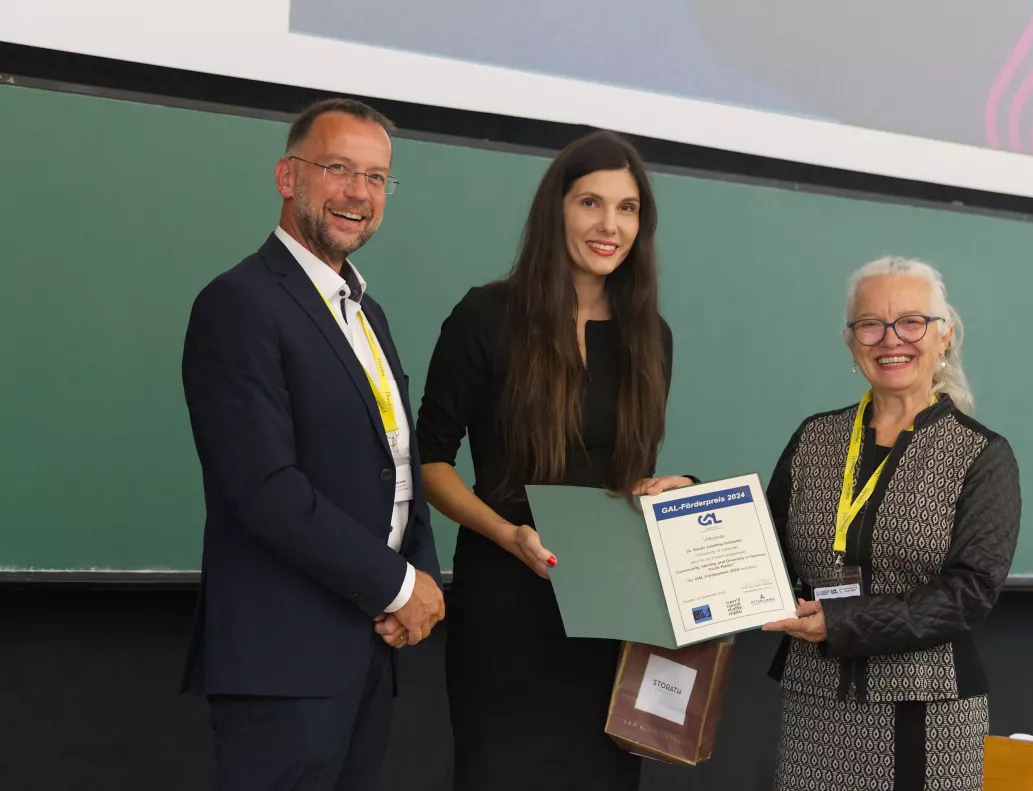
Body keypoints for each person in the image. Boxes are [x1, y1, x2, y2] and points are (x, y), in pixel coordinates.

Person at [405, 130, 692, 790]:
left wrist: (670, 491)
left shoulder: (652, 337)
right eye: (591, 203)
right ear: (555, 208)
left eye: (627, 208)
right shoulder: (486, 316)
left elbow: (628, 475)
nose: (609, 225)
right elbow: (429, 461)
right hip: (505, 606)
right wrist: (506, 533)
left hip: (610, 611)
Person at [180, 98, 445, 790]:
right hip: (283, 663)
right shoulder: (239, 303)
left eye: (377, 177)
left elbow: (397, 460)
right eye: (338, 168)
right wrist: (398, 584)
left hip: (367, 650)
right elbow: (265, 487)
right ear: (286, 176)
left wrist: (423, 571)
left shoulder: (367, 310)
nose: (359, 192)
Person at [761, 256, 1021, 791]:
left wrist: (841, 622)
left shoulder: (981, 455)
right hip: (816, 706)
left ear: (943, 336)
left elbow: (970, 592)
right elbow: (762, 547)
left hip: (926, 711)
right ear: (851, 342)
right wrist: (691, 500)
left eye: (910, 321)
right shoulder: (813, 439)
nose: (889, 339)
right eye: (870, 324)